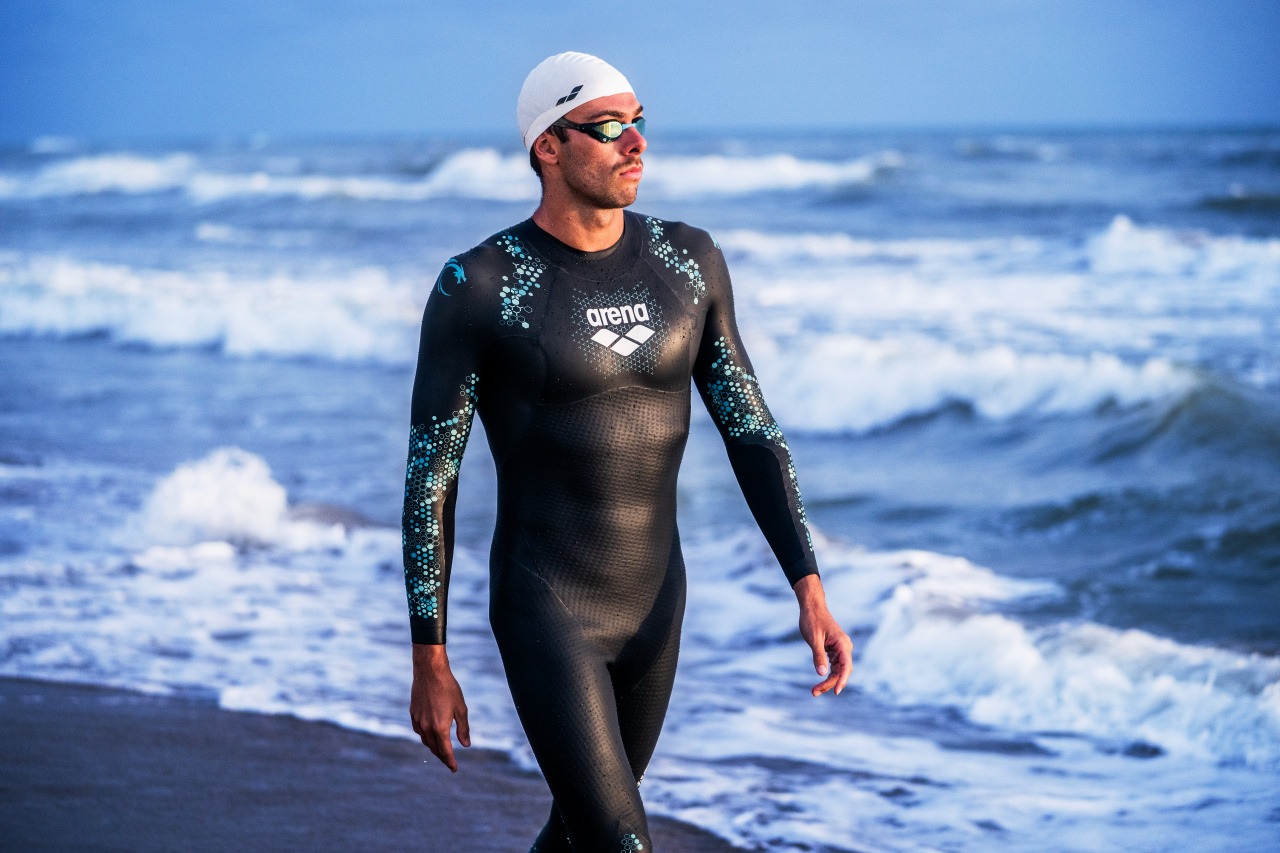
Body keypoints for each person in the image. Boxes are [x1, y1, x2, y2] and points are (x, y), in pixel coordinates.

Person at [403, 51, 853, 852]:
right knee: (621, 840)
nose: (637, 143)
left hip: (655, 606)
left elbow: (750, 427)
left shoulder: (688, 261)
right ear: (549, 145)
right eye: (610, 128)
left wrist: (808, 584)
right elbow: (432, 476)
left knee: (582, 834)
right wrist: (429, 656)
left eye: (639, 122)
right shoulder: (479, 285)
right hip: (548, 607)